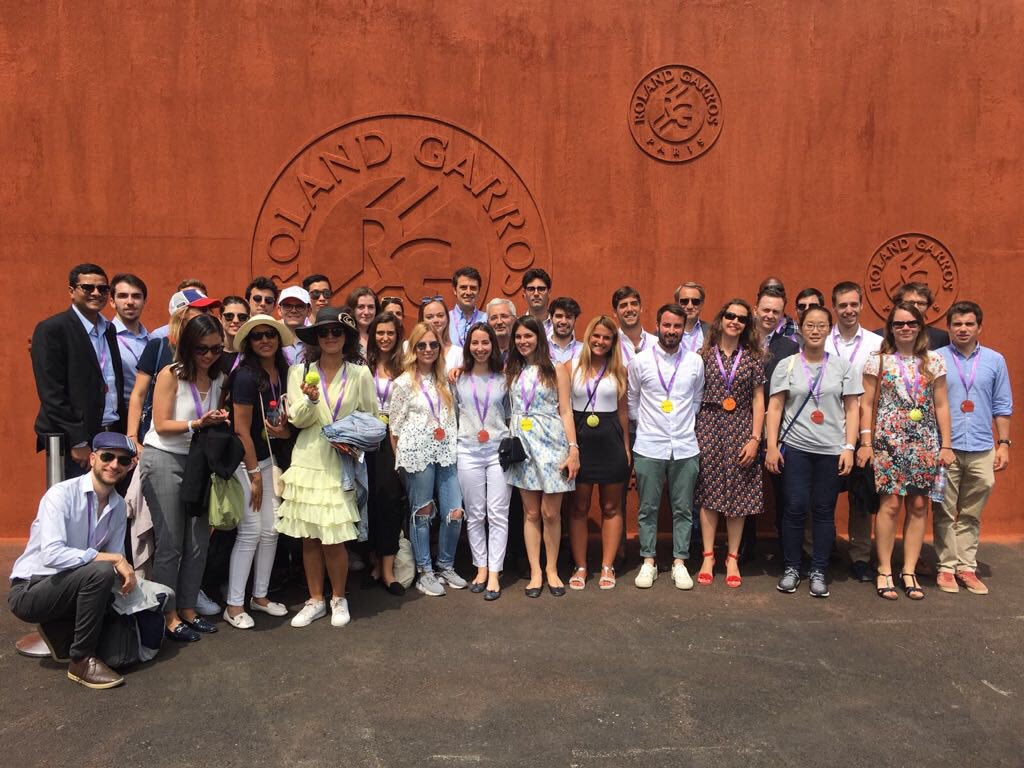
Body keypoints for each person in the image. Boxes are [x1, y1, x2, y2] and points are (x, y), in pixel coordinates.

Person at [8, 433, 140, 689]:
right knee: (101, 571)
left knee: (120, 652)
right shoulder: (61, 495)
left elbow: (112, 568)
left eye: (123, 460)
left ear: (129, 467)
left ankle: (59, 628)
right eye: (107, 456)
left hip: (71, 587)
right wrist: (113, 559)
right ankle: (80, 661)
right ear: (92, 458)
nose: (114, 465)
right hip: (31, 589)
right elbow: (52, 554)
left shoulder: (119, 506)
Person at [277, 307, 375, 627]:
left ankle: (339, 597)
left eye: (337, 332)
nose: (330, 337)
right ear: (316, 338)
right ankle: (315, 599)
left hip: (340, 461)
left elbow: (372, 418)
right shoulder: (299, 372)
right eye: (324, 332)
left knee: (334, 537)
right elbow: (297, 420)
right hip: (307, 459)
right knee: (309, 536)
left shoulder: (359, 373)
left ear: (346, 337)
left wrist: (350, 437)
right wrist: (312, 399)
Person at [857, 302, 955, 601]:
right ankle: (885, 568)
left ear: (920, 327)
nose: (905, 329)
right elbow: (867, 404)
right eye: (899, 324)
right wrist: (866, 441)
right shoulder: (879, 361)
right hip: (889, 441)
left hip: (924, 441)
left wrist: (946, 444)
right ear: (891, 328)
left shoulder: (934, 361)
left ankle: (909, 569)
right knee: (889, 506)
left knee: (918, 506)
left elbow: (941, 404)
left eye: (911, 323)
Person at [140, 314, 229, 641]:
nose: (208, 355)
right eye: (202, 349)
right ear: (189, 347)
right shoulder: (171, 374)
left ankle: (189, 608)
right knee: (171, 544)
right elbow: (162, 424)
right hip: (163, 457)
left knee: (198, 542)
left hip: (197, 461)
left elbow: (211, 420)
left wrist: (219, 419)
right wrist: (198, 423)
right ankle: (169, 614)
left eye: (216, 349)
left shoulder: (219, 378)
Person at [766, 307, 861, 598]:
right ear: (801, 331)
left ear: (828, 330)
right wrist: (771, 446)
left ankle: (819, 569)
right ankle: (793, 568)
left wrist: (849, 447)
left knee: (823, 511)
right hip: (796, 448)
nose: (815, 330)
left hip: (831, 451)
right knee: (794, 508)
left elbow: (852, 408)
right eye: (810, 325)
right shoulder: (788, 365)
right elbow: (776, 407)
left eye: (821, 326)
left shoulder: (843, 367)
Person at [221, 315, 296, 628]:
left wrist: (282, 433)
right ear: (249, 343)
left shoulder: (282, 371)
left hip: (268, 460)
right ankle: (234, 606)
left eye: (270, 335)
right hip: (245, 462)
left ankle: (260, 597)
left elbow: (285, 421)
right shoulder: (246, 376)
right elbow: (241, 430)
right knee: (251, 530)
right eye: (257, 336)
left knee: (271, 530)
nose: (265, 340)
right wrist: (253, 475)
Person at [934, 301, 1013, 595]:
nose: (963, 329)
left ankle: (966, 567)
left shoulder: (995, 360)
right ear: (949, 327)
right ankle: (946, 568)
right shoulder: (936, 359)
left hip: (982, 446)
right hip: (947, 448)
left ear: (979, 327)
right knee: (943, 509)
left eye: (969, 324)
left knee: (971, 512)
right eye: (957, 324)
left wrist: (1003, 444)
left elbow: (1002, 405)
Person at [628, 303, 704, 590]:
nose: (671, 331)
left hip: (685, 446)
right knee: (647, 508)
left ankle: (679, 562)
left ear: (684, 328)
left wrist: (681, 424)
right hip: (649, 446)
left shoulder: (695, 362)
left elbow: (696, 399)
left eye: (677, 326)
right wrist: (651, 426)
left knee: (683, 508)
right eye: (667, 325)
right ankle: (648, 560)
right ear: (657, 325)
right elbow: (633, 401)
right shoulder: (641, 361)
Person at [389, 322, 466, 597]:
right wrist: (401, 463)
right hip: (416, 455)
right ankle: (425, 570)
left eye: (433, 344)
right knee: (421, 512)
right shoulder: (402, 383)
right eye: (422, 345)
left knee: (454, 511)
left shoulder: (446, 379)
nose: (428, 349)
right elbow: (394, 428)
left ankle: (445, 564)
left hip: (445, 452)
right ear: (413, 348)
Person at [693, 299, 765, 589]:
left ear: (747, 326)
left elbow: (759, 399)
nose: (735, 321)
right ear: (721, 319)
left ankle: (732, 557)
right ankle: (708, 556)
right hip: (709, 427)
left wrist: (755, 438)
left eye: (742, 319)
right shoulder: (703, 356)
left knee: (739, 496)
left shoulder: (753, 358)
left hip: (741, 428)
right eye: (730, 316)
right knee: (708, 494)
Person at [506, 315, 580, 597]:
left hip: (552, 443)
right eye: (519, 337)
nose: (523, 342)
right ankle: (536, 571)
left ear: (539, 338)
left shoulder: (556, 369)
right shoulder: (511, 369)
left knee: (551, 512)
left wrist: (573, 450)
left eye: (528, 336)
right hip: (523, 446)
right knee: (531, 512)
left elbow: (566, 411)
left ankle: (552, 569)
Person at [32, 264, 126, 479]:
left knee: (106, 507)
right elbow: (52, 393)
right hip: (76, 441)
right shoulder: (52, 329)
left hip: (110, 432)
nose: (96, 293)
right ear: (71, 291)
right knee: (75, 507)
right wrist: (78, 440)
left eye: (102, 289)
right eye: (87, 287)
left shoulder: (108, 329)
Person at [826, 281, 883, 582]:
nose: (848, 310)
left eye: (853, 304)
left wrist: (866, 438)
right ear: (833, 307)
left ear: (861, 305)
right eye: (842, 305)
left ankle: (860, 556)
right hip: (825, 430)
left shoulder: (876, 343)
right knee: (821, 496)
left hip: (862, 433)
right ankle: (820, 550)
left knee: (861, 498)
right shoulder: (820, 339)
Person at [568, 316, 630, 590]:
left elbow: (624, 412)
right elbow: (565, 411)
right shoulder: (571, 368)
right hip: (582, 444)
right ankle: (580, 566)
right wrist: (572, 449)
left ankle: (607, 566)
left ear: (612, 342)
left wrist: (626, 447)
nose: (600, 341)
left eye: (606, 337)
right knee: (579, 507)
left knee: (611, 507)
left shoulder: (620, 370)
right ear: (588, 336)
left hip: (611, 444)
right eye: (596, 336)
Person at [455, 323, 512, 600]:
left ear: (493, 345)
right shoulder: (458, 378)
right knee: (475, 513)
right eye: (475, 343)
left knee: (498, 513)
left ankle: (494, 573)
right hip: (467, 449)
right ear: (468, 346)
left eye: (485, 343)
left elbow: (510, 414)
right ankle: (480, 567)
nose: (480, 348)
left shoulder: (504, 379)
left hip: (498, 450)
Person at [365, 311, 407, 595]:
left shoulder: (405, 367)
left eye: (390, 333)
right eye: (380, 333)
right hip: (366, 440)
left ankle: (389, 571)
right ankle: (374, 563)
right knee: (368, 502)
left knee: (391, 502)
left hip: (394, 440)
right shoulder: (361, 366)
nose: (385, 338)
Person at [110, 273, 150, 404]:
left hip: (151, 416)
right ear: (112, 301)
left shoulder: (152, 340)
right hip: (119, 416)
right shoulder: (105, 339)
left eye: (136, 296)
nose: (130, 302)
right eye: (122, 296)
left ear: (145, 301)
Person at [874, 282, 950, 350]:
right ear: (898, 303)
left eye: (921, 303)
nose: (916, 307)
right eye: (910, 302)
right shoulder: (878, 336)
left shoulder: (940, 337)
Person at [613, 286, 658, 364]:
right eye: (623, 305)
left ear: (641, 308)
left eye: (634, 304)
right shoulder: (611, 345)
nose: (629, 309)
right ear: (614, 312)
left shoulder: (656, 343)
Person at [418, 295, 463, 370]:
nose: (436, 320)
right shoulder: (409, 348)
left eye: (440, 315)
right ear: (421, 320)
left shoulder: (458, 353)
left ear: (447, 318)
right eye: (429, 317)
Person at [449, 266, 488, 346]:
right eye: (463, 287)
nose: (468, 292)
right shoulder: (446, 320)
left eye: (473, 288)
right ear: (454, 290)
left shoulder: (487, 319)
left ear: (478, 291)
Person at [673, 281, 710, 354]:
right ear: (677, 303)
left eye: (695, 302)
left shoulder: (712, 332)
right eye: (684, 301)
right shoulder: (664, 332)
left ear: (701, 304)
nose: (690, 306)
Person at [278, 285, 311, 364]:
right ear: (279, 310)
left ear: (309, 311)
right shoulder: (272, 339)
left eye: (300, 306)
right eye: (287, 306)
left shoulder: (316, 341)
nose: (293, 311)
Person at [218, 295, 250, 373]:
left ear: (248, 319)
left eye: (242, 317)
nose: (236, 320)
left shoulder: (253, 353)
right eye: (229, 316)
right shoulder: (212, 352)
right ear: (220, 318)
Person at [547, 296, 583, 365]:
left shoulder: (583, 351)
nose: (563, 322)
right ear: (551, 318)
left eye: (568, 317)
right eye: (559, 316)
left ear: (575, 320)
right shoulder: (542, 348)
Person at [347, 286, 380, 356]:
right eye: (361, 307)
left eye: (371, 307)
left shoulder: (380, 335)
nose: (366, 312)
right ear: (352, 310)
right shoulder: (345, 336)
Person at [521, 268, 553, 335]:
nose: (536, 294)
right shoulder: (519, 326)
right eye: (531, 289)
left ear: (549, 292)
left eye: (541, 289)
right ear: (524, 293)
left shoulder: (559, 326)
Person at [486, 297, 516, 361]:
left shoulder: (522, 350)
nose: (499, 322)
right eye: (494, 318)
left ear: (514, 320)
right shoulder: (483, 353)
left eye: (504, 316)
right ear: (488, 323)